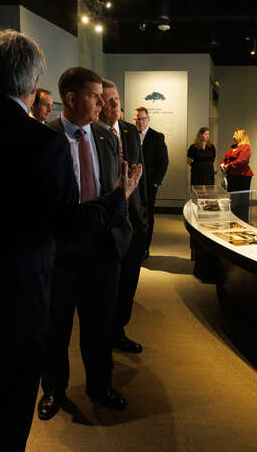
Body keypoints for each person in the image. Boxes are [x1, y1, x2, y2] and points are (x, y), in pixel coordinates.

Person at [0, 30, 140, 450]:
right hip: (18, 308)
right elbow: (67, 223)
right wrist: (118, 198)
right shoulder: (43, 142)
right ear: (34, 81)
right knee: (9, 421)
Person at [38, 69, 136, 419]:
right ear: (72, 98)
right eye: (95, 97)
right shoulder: (44, 139)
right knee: (56, 329)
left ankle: (100, 386)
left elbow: (115, 189)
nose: (102, 104)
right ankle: (53, 389)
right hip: (61, 253)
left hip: (103, 249)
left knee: (100, 326)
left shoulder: (107, 138)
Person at [99, 79, 149, 355]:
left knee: (128, 284)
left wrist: (144, 216)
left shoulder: (129, 131)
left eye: (117, 99)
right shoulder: (93, 133)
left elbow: (142, 177)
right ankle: (103, 339)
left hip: (134, 223)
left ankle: (118, 331)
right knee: (107, 289)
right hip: (107, 224)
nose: (114, 105)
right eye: (108, 101)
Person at [135, 106, 168, 258]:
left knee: (147, 215)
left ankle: (145, 248)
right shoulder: (131, 135)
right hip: (133, 184)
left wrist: (155, 182)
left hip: (149, 184)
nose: (140, 122)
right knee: (134, 215)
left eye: (142, 119)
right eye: (137, 119)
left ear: (148, 119)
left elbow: (164, 162)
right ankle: (135, 246)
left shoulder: (157, 136)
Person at [220, 128, 253, 222]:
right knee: (232, 199)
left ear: (240, 136)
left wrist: (228, 165)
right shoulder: (233, 147)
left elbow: (242, 160)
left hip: (242, 176)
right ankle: (232, 218)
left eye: (235, 135)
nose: (233, 136)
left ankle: (241, 220)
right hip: (232, 175)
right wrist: (222, 163)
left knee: (241, 199)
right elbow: (226, 158)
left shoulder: (245, 147)